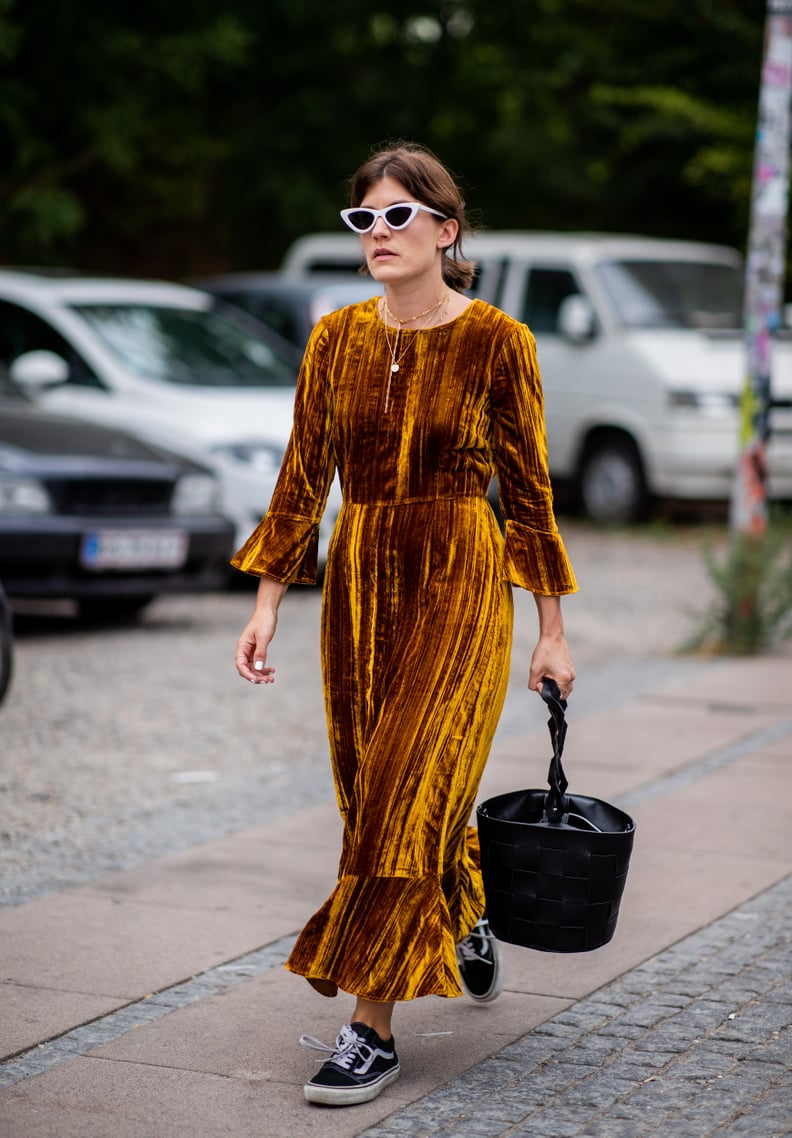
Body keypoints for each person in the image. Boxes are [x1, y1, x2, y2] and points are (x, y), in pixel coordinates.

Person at [232, 141, 577, 1108]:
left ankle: (369, 1030)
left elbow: (533, 494)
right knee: (375, 793)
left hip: (462, 581)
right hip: (361, 588)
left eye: (397, 216)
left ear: (445, 229)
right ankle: (463, 908)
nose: (378, 233)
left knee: (401, 796)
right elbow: (301, 481)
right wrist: (267, 605)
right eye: (364, 219)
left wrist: (551, 630)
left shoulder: (499, 341)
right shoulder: (334, 339)